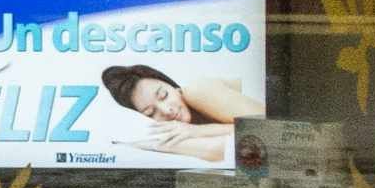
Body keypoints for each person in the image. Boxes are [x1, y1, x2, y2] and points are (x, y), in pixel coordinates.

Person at [100, 61, 263, 161]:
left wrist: (199, 131)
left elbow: (269, 127)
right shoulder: (181, 131)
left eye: (163, 95)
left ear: (173, 86)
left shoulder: (197, 91)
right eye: (151, 113)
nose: (167, 110)